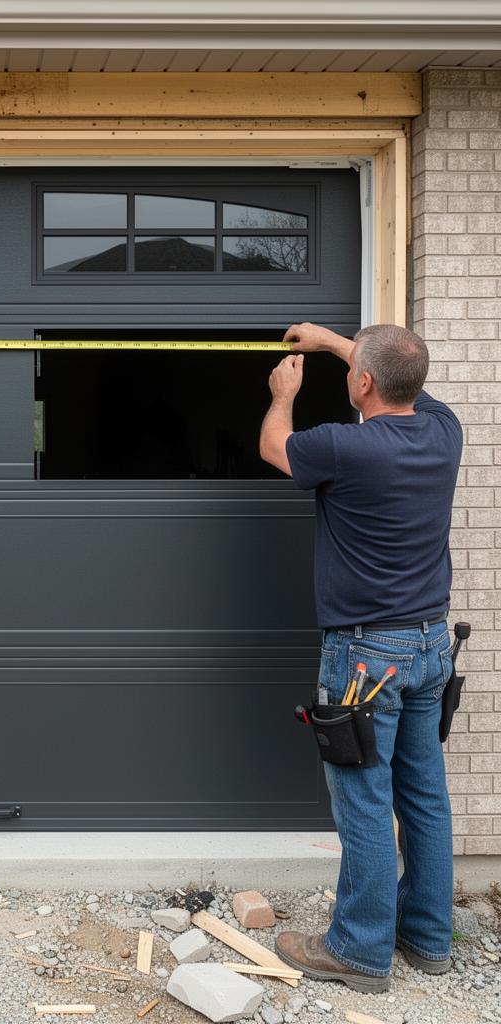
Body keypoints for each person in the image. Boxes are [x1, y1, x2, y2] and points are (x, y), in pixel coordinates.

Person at [259, 322, 462, 993]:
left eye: (356, 369)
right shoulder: (444, 431)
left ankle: (359, 950)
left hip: (367, 657)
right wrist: (331, 341)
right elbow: (396, 374)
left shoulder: (343, 446)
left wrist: (283, 393)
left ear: (364, 382)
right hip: (430, 646)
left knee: (366, 802)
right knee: (424, 796)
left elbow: (273, 446)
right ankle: (427, 937)